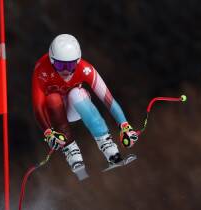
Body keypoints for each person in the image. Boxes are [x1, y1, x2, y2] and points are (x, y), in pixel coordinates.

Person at [32, 34, 138, 179]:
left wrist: (124, 125)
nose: (65, 71)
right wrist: (48, 133)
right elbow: (38, 107)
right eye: (59, 65)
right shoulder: (41, 69)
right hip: (55, 113)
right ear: (51, 61)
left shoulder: (85, 69)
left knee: (76, 93)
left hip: (75, 107)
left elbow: (108, 99)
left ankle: (109, 149)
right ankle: (72, 153)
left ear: (78, 61)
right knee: (52, 97)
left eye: (70, 66)